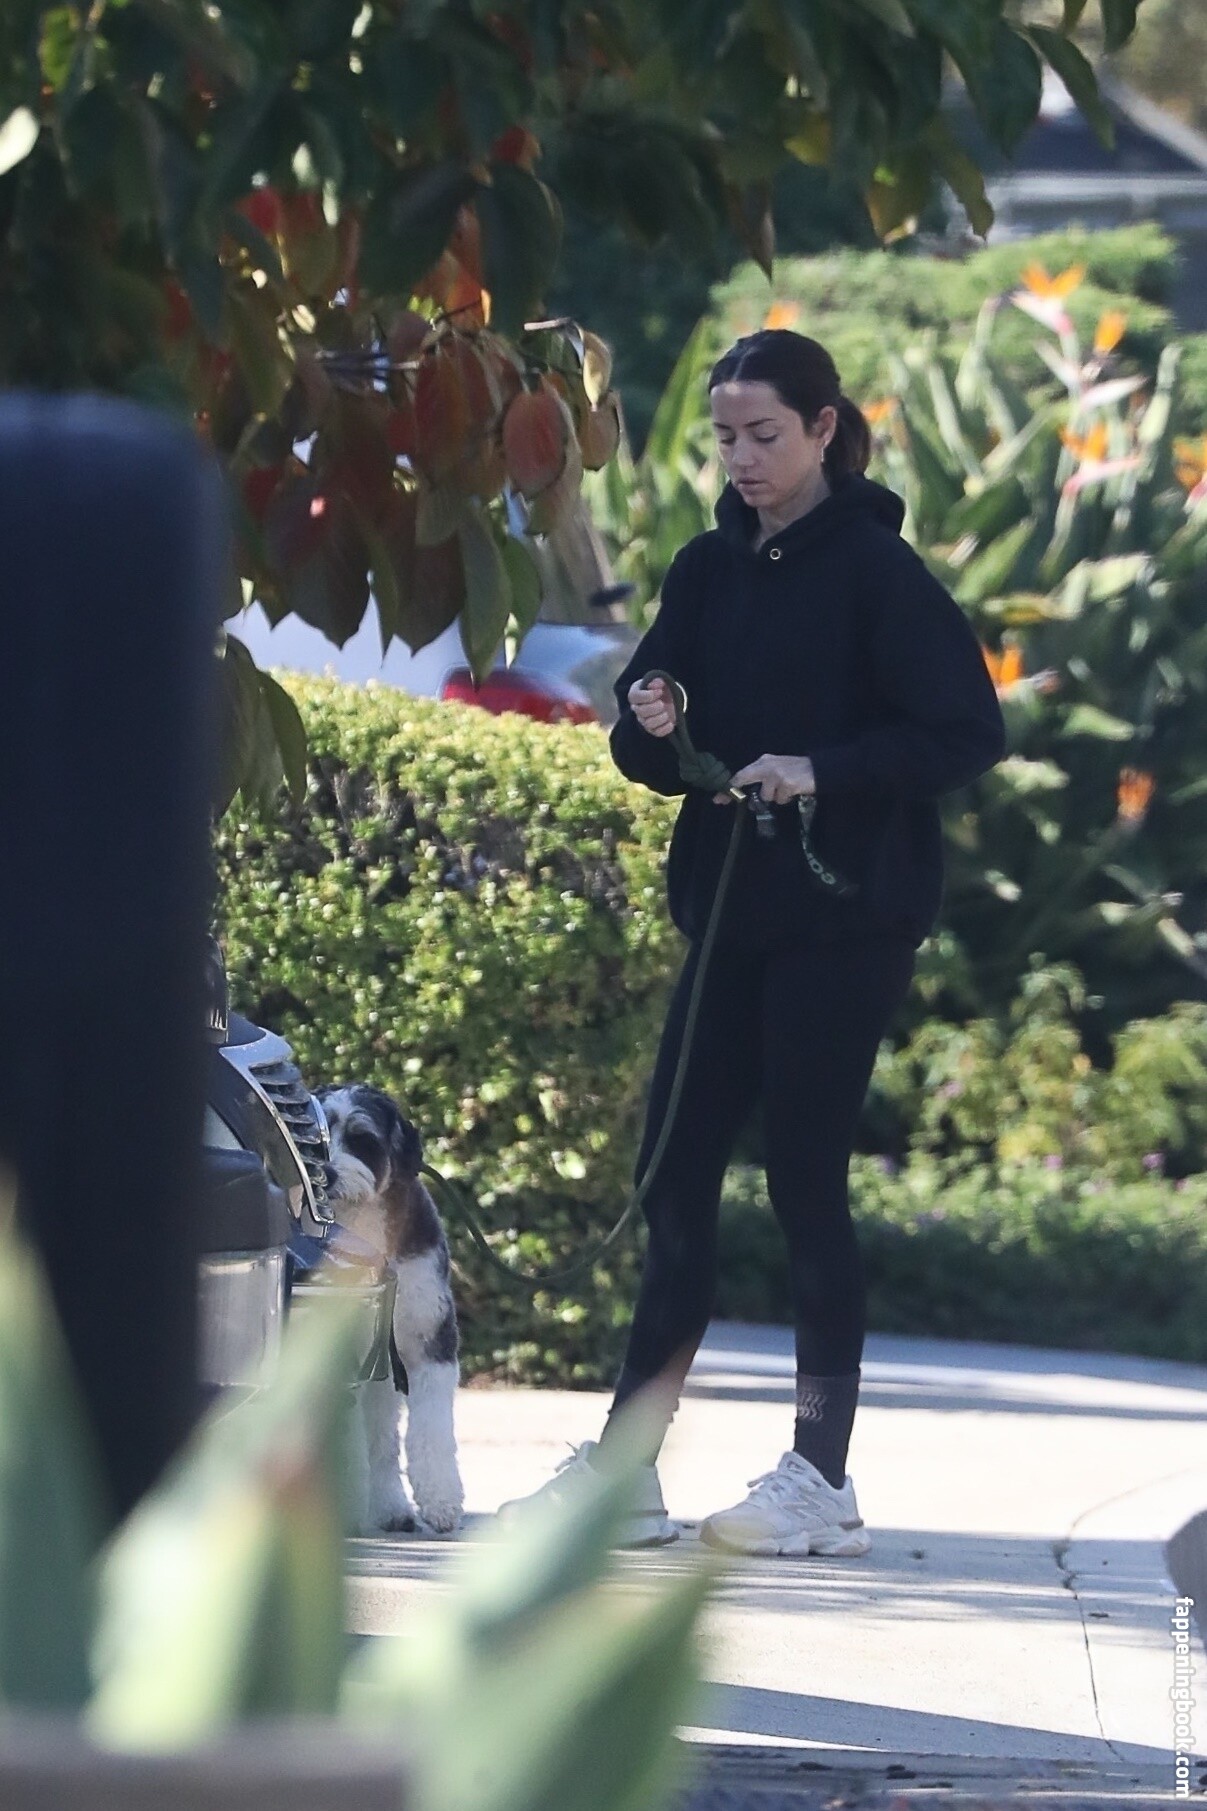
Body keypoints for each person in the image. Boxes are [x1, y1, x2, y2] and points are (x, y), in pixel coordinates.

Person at [498, 328, 1006, 1556]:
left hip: (846, 916)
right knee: (672, 1173)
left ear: (824, 429)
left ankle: (818, 1477)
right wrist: (651, 714)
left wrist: (819, 768)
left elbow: (964, 731)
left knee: (802, 1182)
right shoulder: (705, 569)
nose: (741, 457)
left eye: (765, 434)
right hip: (731, 909)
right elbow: (646, 749)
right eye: (726, 436)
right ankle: (626, 1471)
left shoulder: (877, 571)